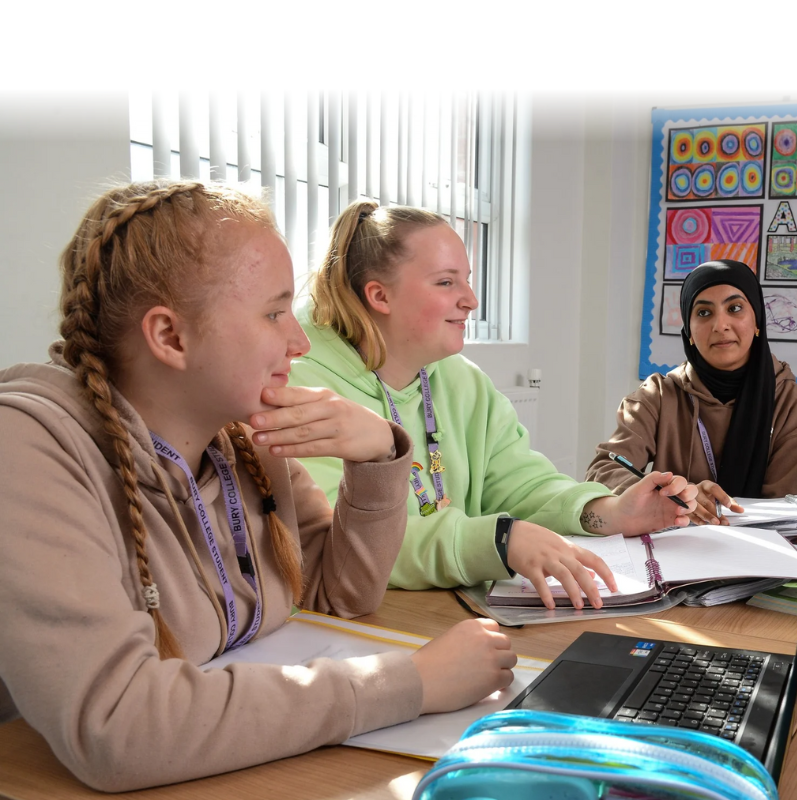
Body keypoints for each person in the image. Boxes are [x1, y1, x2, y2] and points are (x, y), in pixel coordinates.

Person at [0, 182, 518, 791]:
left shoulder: (239, 437)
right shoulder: (27, 447)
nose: (298, 343)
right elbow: (116, 724)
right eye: (274, 313)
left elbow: (339, 592)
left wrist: (379, 453)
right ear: (170, 337)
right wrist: (410, 683)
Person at [290, 200, 696, 608]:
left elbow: (520, 484)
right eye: (446, 282)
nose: (470, 299)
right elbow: (337, 544)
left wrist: (609, 512)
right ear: (380, 295)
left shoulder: (461, 378)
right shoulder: (301, 386)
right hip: (353, 623)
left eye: (466, 280)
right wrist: (498, 541)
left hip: (450, 610)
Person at [586, 260, 797, 524]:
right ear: (690, 332)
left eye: (735, 308)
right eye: (704, 313)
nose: (720, 325)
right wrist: (674, 495)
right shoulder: (658, 396)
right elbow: (603, 471)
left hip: (757, 549)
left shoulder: (789, 403)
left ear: (757, 323)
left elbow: (787, 511)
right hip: (674, 543)